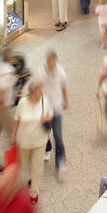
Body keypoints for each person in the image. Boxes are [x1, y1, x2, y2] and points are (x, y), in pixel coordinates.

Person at [12, 79, 53, 201]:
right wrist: (13, 136)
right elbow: (16, 119)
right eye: (40, 91)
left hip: (40, 140)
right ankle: (32, 177)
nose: (42, 93)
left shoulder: (44, 101)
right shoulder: (23, 103)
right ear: (33, 92)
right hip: (24, 140)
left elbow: (51, 114)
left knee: (37, 165)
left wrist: (46, 118)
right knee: (28, 163)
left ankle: (34, 191)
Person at [40, 50, 69, 178]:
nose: (52, 65)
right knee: (45, 132)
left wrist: (66, 99)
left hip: (56, 108)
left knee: (58, 136)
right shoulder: (40, 72)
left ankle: (61, 163)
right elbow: (38, 89)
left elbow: (63, 86)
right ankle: (47, 148)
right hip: (45, 108)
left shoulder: (60, 71)